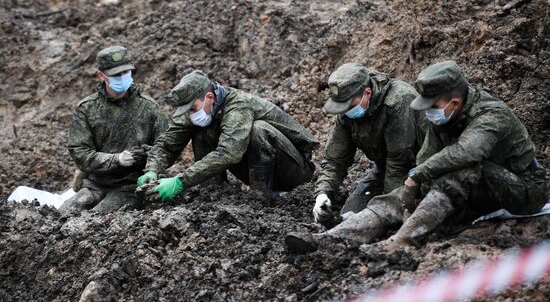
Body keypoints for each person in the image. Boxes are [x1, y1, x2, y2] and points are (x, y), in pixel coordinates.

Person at [286, 60, 549, 253]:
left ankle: (401, 242)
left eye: (431, 106)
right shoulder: (444, 117)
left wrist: (415, 177)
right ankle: (329, 239)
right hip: (475, 188)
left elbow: (466, 153)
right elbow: (426, 158)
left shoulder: (492, 115)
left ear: (454, 102)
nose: (428, 113)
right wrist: (407, 191)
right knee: (399, 194)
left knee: (462, 168)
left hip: (523, 189)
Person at [138, 70, 320, 201]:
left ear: (210, 97)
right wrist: (152, 169)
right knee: (201, 132)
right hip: (255, 167)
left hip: (296, 173)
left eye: (192, 108)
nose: (190, 114)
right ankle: (213, 196)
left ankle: (262, 199)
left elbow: (229, 153)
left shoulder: (238, 105)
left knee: (259, 130)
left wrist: (180, 181)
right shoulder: (199, 112)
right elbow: (167, 143)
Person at [312, 62, 427, 222]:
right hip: (384, 169)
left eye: (348, 106)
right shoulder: (347, 112)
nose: (344, 112)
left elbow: (399, 163)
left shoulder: (399, 100)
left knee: (380, 219)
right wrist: (323, 193)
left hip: (418, 170)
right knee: (349, 214)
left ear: (367, 92)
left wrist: (386, 207)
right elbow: (335, 160)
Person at [60, 46, 168, 213]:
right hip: (95, 184)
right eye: (116, 74)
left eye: (126, 72)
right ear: (101, 76)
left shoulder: (150, 108)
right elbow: (79, 152)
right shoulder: (87, 109)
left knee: (97, 218)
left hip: (131, 186)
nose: (123, 77)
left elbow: (165, 147)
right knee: (63, 213)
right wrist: (116, 159)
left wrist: (150, 166)